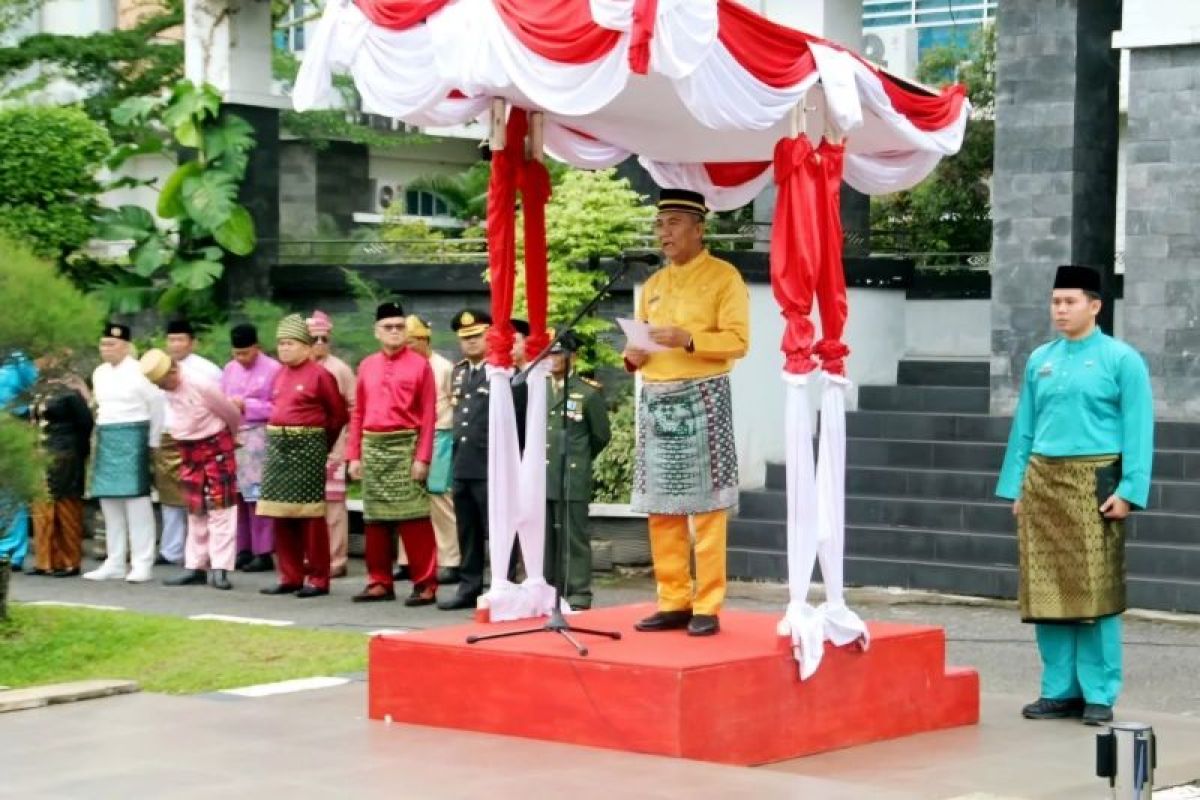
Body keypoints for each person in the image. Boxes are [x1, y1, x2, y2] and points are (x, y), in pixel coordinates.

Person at [996, 265, 1154, 727]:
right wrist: (1018, 487)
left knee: (1096, 594)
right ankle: (1058, 690)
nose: (1060, 310)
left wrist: (1128, 490)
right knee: (1046, 592)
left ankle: (1099, 693)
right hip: (1043, 482)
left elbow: (1138, 429)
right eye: (1055, 301)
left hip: (1094, 484)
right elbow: (1024, 427)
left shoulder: (1121, 359)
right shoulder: (1040, 358)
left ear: (1095, 305)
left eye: (1070, 301)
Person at [624, 189, 749, 637]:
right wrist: (633, 355)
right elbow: (639, 342)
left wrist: (690, 338)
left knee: (708, 508)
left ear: (699, 228)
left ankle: (708, 603)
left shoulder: (724, 277)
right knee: (662, 509)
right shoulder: (654, 285)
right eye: (660, 224)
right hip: (657, 397)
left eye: (674, 223)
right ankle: (672, 598)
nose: (664, 233)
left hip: (703, 396)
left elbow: (738, 340)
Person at [346, 301, 439, 605]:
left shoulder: (420, 365)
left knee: (415, 518)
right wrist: (354, 455)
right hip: (373, 447)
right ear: (377, 331)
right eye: (389, 327)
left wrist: (423, 457)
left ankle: (425, 582)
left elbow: (428, 415)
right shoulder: (367, 365)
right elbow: (358, 412)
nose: (395, 332)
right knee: (373, 520)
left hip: (406, 445)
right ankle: (379, 581)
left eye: (400, 327)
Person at [258, 314, 349, 598]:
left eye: (290, 344)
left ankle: (319, 578)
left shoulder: (321, 375)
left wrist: (320, 445)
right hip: (278, 449)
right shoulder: (279, 374)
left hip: (308, 448)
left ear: (307, 347)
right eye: (281, 344)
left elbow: (337, 415)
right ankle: (290, 575)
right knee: (280, 515)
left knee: (310, 517)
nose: (284, 349)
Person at [142, 349, 242, 591]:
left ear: (173, 370)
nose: (162, 387)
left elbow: (230, 412)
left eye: (163, 382)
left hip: (214, 444)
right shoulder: (168, 389)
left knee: (221, 509)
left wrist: (233, 437)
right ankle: (195, 566)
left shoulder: (201, 384)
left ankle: (220, 568)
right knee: (195, 509)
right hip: (188, 449)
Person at [84, 323, 164, 583]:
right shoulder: (99, 373)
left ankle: (142, 562)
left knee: (137, 502)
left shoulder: (140, 371)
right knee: (109, 502)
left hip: (134, 435)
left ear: (127, 346)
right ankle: (114, 560)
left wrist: (152, 441)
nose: (106, 349)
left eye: (112, 344)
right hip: (107, 435)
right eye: (103, 344)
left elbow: (157, 405)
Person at [544, 331, 611, 609]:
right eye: (550, 353)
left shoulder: (587, 392)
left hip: (572, 473)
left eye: (559, 353)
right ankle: (548, 590)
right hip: (544, 474)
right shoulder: (539, 389)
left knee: (574, 537)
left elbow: (600, 436)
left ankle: (578, 593)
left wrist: (580, 458)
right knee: (546, 538)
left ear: (573, 357)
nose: (553, 359)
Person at [438, 308, 492, 610]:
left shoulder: (500, 371)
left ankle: (501, 586)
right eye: (465, 338)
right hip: (463, 463)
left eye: (477, 336)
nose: (470, 342)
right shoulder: (459, 372)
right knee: (467, 531)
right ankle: (469, 587)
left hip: (489, 465)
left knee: (495, 531)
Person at [157, 319, 223, 566]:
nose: (175, 344)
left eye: (180, 339)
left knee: (200, 496)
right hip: (168, 434)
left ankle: (201, 553)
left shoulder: (207, 370)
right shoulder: (159, 367)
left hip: (199, 437)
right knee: (169, 496)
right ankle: (171, 549)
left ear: (192, 342)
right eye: (171, 339)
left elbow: (219, 404)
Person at [221, 324, 282, 573]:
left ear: (257, 347)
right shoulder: (229, 369)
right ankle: (241, 548)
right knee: (236, 496)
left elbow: (278, 406)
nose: (241, 359)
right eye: (237, 354)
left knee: (257, 497)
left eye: (246, 353)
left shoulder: (274, 369)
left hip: (260, 436)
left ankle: (263, 550)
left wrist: (248, 405)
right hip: (233, 437)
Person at [406, 314, 461, 584]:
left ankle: (450, 559)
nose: (407, 347)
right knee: (408, 499)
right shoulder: (405, 366)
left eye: (411, 341)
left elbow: (454, 402)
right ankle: (408, 559)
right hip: (409, 436)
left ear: (423, 340)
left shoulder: (444, 367)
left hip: (440, 434)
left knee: (440, 498)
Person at [27, 353, 93, 577]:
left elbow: (85, 423)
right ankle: (45, 560)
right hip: (39, 454)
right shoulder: (37, 390)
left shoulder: (70, 392)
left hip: (65, 454)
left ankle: (69, 561)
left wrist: (77, 452)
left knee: (66, 504)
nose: (39, 363)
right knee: (42, 505)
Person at [308, 310, 355, 578]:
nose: (319, 344)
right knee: (307, 504)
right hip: (305, 448)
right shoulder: (298, 368)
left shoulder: (339, 369)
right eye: (313, 339)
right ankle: (313, 556)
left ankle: (337, 559)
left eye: (323, 339)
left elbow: (354, 406)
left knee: (334, 505)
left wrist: (347, 445)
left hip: (334, 447)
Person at [0, 351, 39, 569]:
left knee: (11, 493)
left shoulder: (18, 356)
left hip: (13, 427)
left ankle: (12, 550)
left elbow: (34, 387)